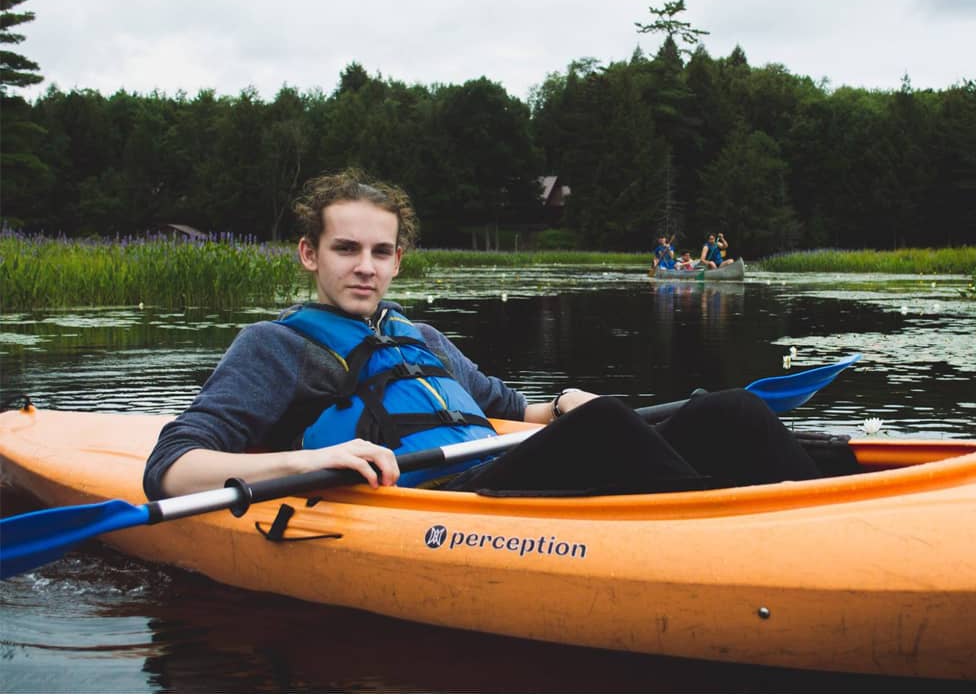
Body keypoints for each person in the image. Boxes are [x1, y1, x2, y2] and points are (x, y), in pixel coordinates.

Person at [144, 170, 819, 501]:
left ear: (398, 260)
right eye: (346, 248)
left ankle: (821, 513)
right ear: (308, 255)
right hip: (446, 505)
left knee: (730, 408)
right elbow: (169, 470)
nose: (364, 266)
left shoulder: (426, 339)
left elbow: (508, 408)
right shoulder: (274, 346)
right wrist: (300, 463)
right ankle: (722, 532)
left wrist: (561, 404)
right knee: (609, 427)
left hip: (501, 471)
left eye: (380, 252)